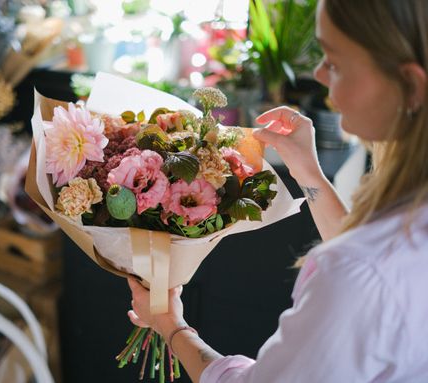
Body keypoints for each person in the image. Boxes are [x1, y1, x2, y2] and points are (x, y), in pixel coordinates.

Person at [127, 0, 428, 381]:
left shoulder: (355, 271)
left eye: (334, 62)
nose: (319, 74)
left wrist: (172, 327)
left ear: (411, 85)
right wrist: (308, 171)